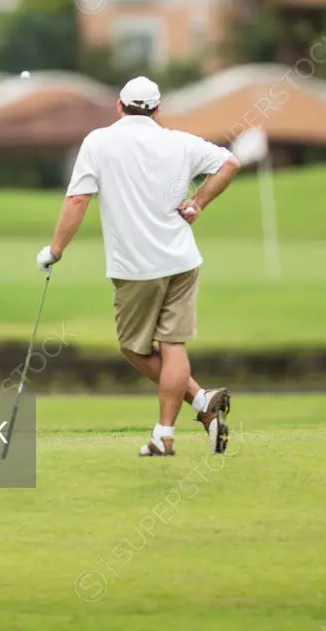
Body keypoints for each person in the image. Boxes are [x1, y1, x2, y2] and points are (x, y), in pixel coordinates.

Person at [36, 76, 240, 458]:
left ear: (119, 106)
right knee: (173, 344)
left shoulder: (98, 142)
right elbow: (230, 163)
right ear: (157, 109)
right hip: (182, 260)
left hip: (135, 268)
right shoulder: (178, 141)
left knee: (133, 348)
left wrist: (56, 250)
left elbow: (78, 200)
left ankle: (190, 410)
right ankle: (174, 426)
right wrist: (198, 202)